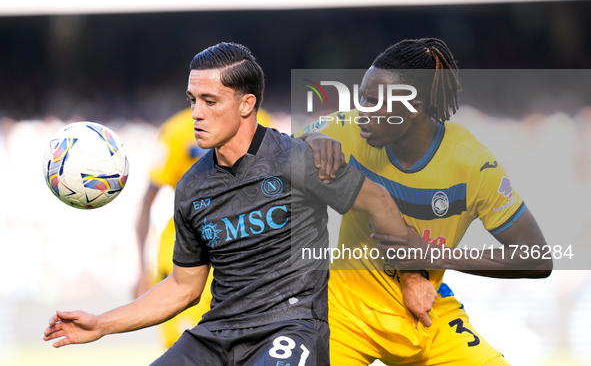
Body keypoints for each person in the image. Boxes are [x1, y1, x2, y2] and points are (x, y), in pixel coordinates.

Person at [43, 42, 431, 365]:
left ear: (246, 104)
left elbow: (378, 201)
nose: (196, 113)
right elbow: (183, 287)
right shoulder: (192, 187)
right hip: (217, 335)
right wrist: (101, 324)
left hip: (290, 328)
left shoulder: (299, 158)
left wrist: (412, 279)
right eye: (193, 99)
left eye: (210, 101)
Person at [297, 38, 552, 365]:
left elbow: (537, 259)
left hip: (425, 313)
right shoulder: (345, 130)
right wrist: (311, 139)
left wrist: (432, 255)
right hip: (346, 311)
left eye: (377, 103)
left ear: (414, 107)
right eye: (362, 98)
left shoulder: (471, 165)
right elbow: (275, 152)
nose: (363, 112)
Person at [134, 104, 272, 349]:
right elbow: (147, 203)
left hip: (242, 258)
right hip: (184, 260)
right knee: (187, 352)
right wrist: (142, 269)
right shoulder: (176, 132)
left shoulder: (263, 123)